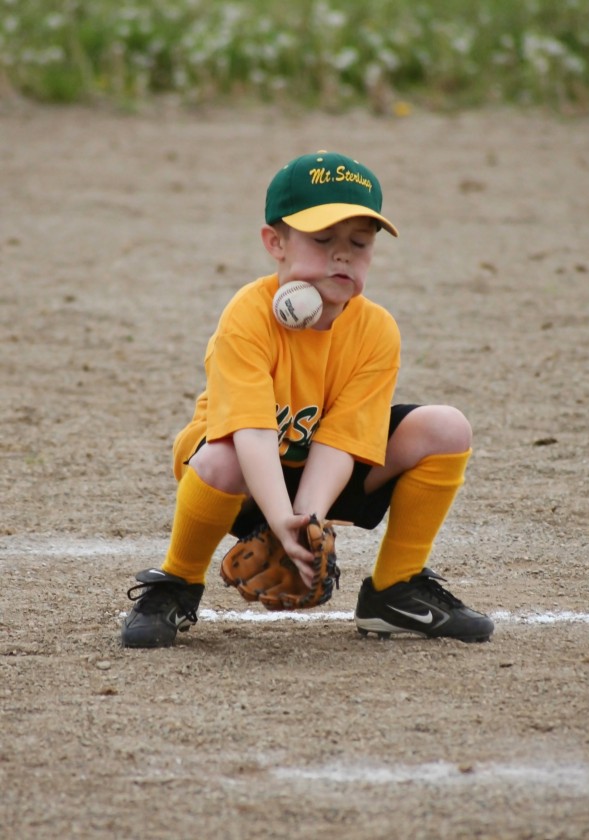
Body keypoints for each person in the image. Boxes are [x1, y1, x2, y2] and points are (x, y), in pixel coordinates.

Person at [121, 150, 494, 648]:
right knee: (219, 459)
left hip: (324, 469)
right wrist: (279, 518)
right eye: (322, 240)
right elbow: (251, 431)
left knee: (446, 428)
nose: (343, 255)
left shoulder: (375, 329)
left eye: (359, 243)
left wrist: (308, 523)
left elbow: (341, 441)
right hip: (243, 476)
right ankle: (177, 584)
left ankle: (394, 590)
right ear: (274, 242)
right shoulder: (248, 315)